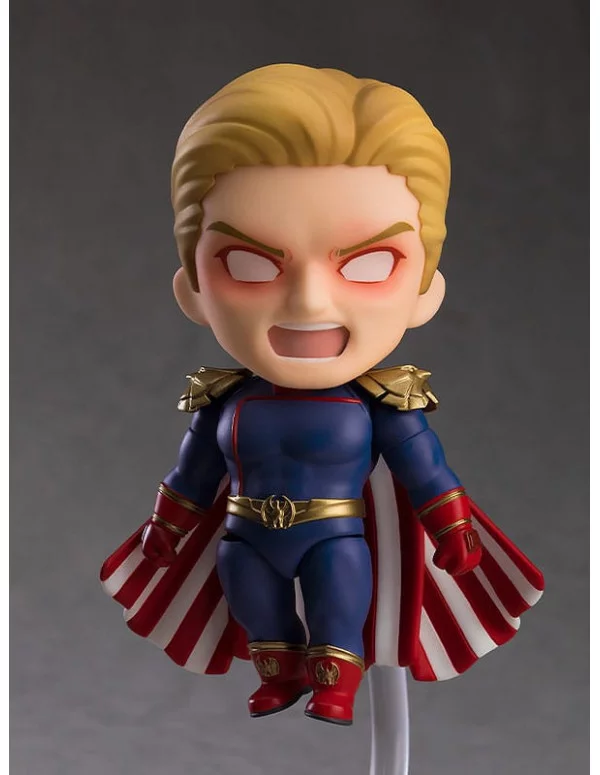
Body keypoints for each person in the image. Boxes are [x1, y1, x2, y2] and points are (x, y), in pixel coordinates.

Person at [101, 65, 543, 736]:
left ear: (426, 290)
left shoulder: (384, 403)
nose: (309, 301)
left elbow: (424, 470)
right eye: (250, 264)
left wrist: (453, 527)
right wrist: (166, 527)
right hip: (245, 534)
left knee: (338, 610)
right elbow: (193, 471)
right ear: (192, 288)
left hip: (333, 536)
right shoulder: (223, 401)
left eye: (368, 264)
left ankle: (336, 687)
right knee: (258, 608)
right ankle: (279, 673)